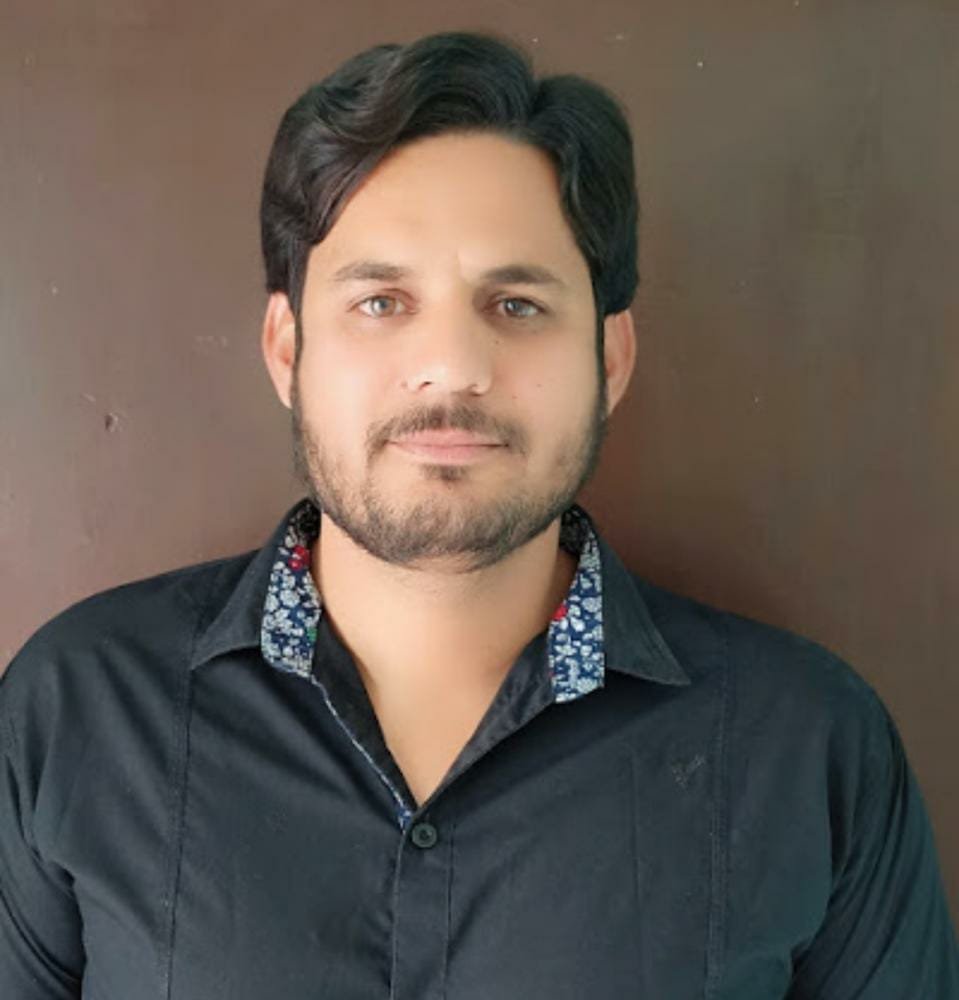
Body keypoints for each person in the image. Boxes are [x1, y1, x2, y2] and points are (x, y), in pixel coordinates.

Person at [1, 30, 957, 1000]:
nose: (452, 366)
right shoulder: (74, 715)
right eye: (381, 302)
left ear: (609, 357)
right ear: (287, 349)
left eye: (516, 305)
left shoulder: (809, 752)